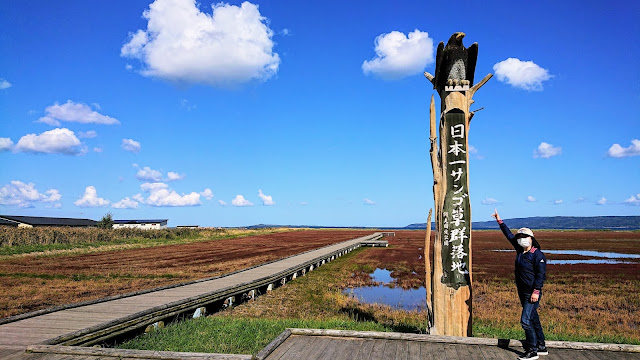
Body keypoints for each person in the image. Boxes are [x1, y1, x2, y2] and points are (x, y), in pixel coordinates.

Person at [491, 209, 548, 360]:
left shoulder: (537, 255)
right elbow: (509, 235)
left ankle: (532, 350)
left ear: (531, 238)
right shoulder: (520, 251)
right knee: (533, 318)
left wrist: (536, 291)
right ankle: (541, 346)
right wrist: (499, 220)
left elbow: (541, 275)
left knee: (525, 321)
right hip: (522, 291)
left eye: (525, 237)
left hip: (531, 292)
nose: (521, 239)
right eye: (520, 237)